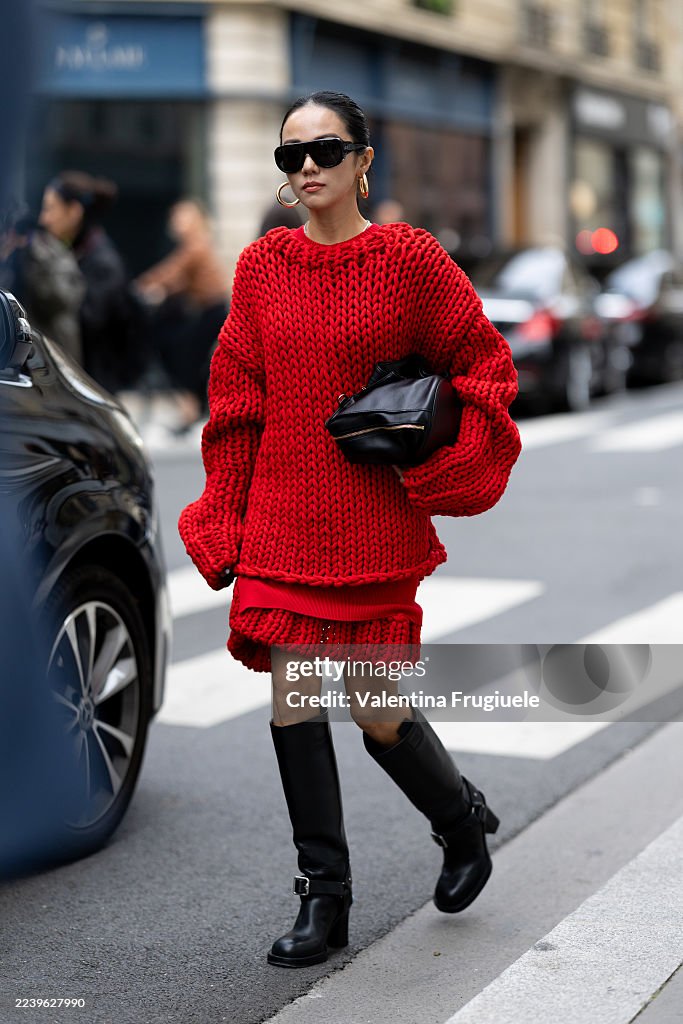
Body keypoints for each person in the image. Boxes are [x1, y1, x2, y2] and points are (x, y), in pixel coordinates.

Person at [178, 91, 521, 969]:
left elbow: (482, 364)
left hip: (374, 515)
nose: (307, 167)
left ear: (364, 159)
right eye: (290, 155)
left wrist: (442, 464)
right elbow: (237, 402)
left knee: (372, 707)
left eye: (325, 149)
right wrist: (224, 511)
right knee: (294, 697)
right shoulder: (260, 267)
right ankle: (323, 898)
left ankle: (461, 821)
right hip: (282, 521)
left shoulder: (410, 259)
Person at [39, 172, 145, 394]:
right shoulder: (75, 254)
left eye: (50, 208)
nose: (44, 219)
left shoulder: (104, 264)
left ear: (74, 212)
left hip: (94, 390)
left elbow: (81, 323)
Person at [135, 199, 228, 427]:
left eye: (181, 218)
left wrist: (143, 285)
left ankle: (191, 405)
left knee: (184, 352)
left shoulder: (195, 246)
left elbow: (173, 272)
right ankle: (192, 404)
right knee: (187, 350)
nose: (176, 223)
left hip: (213, 310)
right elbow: (176, 274)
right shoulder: (192, 245)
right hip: (207, 310)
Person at [1, 203, 84, 362]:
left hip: (50, 359)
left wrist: (31, 257)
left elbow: (62, 299)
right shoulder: (9, 257)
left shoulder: (47, 252)